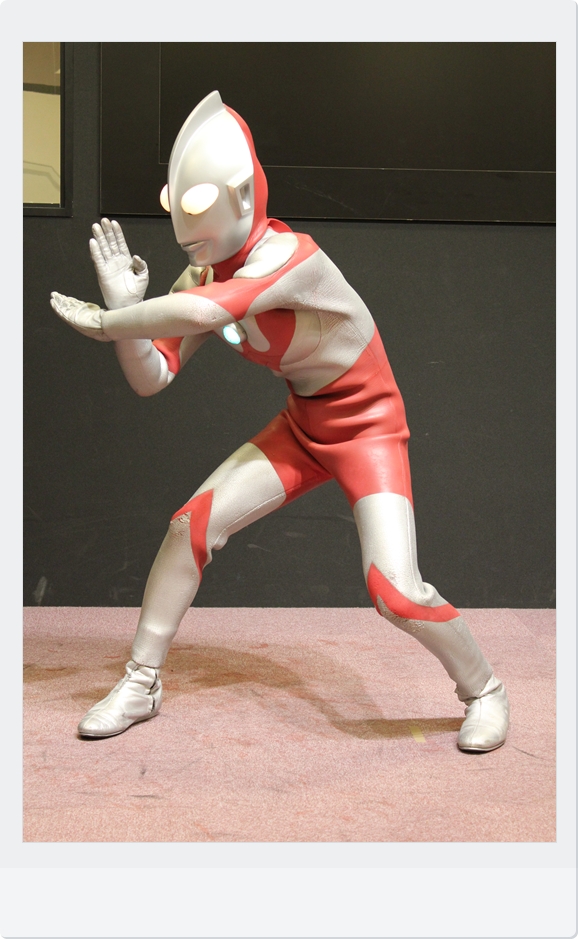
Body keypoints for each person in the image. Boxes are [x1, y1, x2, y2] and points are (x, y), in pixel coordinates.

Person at [50, 91, 509, 752]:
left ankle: (485, 689)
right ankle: (140, 681)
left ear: (242, 195)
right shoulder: (202, 273)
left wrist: (107, 322)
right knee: (189, 526)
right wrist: (126, 310)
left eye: (200, 205)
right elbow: (153, 375)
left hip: (368, 429)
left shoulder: (292, 260)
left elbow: (207, 314)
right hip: (303, 427)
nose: (188, 227)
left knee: (395, 590)